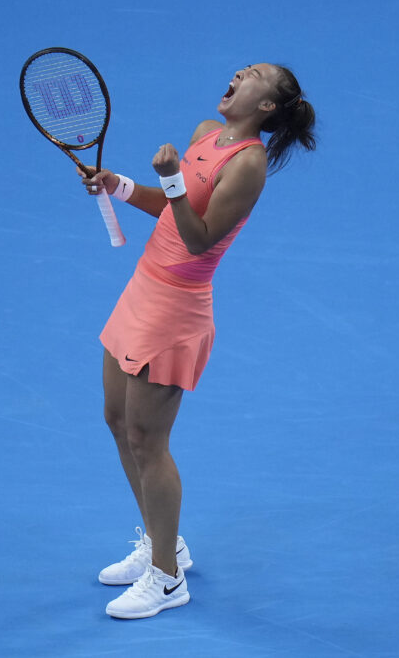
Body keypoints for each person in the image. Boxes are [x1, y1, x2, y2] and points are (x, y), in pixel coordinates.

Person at [79, 63, 316, 619]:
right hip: (140, 288)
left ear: (266, 107)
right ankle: (167, 547)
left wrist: (170, 180)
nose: (237, 73)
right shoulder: (203, 134)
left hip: (176, 309)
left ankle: (166, 580)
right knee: (117, 420)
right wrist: (119, 184)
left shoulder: (250, 164)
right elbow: (171, 211)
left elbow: (198, 238)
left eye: (252, 75)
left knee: (147, 440)